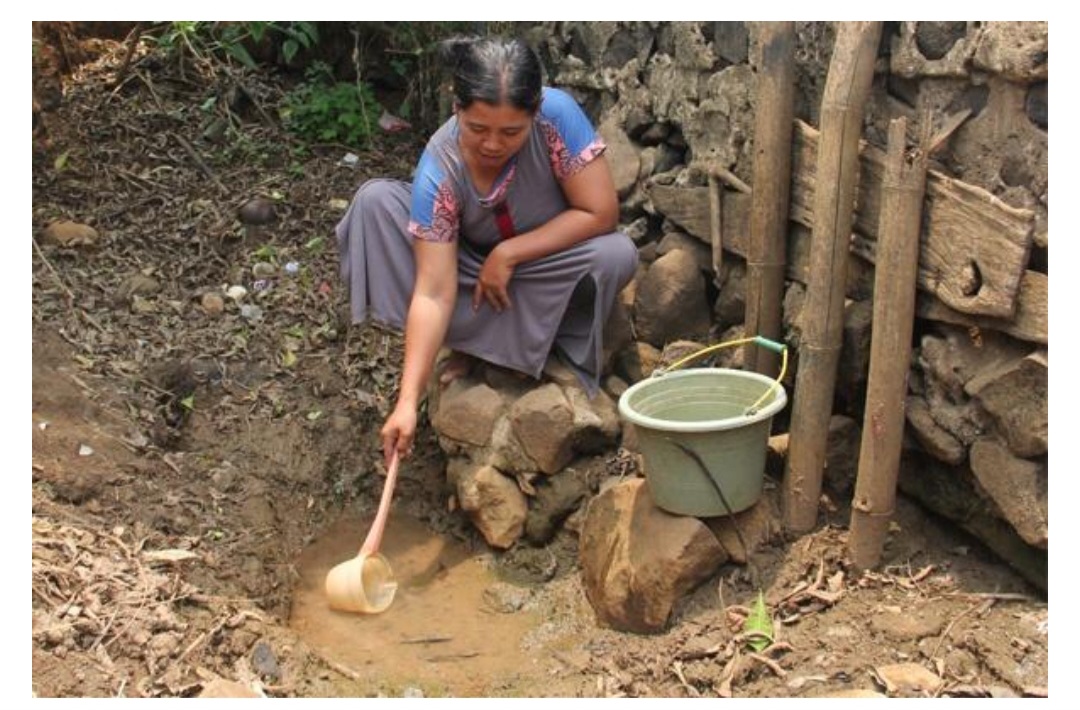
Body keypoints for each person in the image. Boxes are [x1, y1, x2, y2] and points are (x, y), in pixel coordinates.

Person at [335, 36, 638, 468]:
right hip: (467, 274)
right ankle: (477, 345)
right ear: (456, 108)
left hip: (540, 264)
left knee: (615, 255)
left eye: (511, 132)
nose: (493, 144)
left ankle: (508, 344)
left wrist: (510, 254)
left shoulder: (558, 116)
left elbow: (600, 211)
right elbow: (433, 292)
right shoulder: (438, 169)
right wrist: (407, 401)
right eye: (478, 129)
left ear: (535, 112)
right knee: (375, 202)